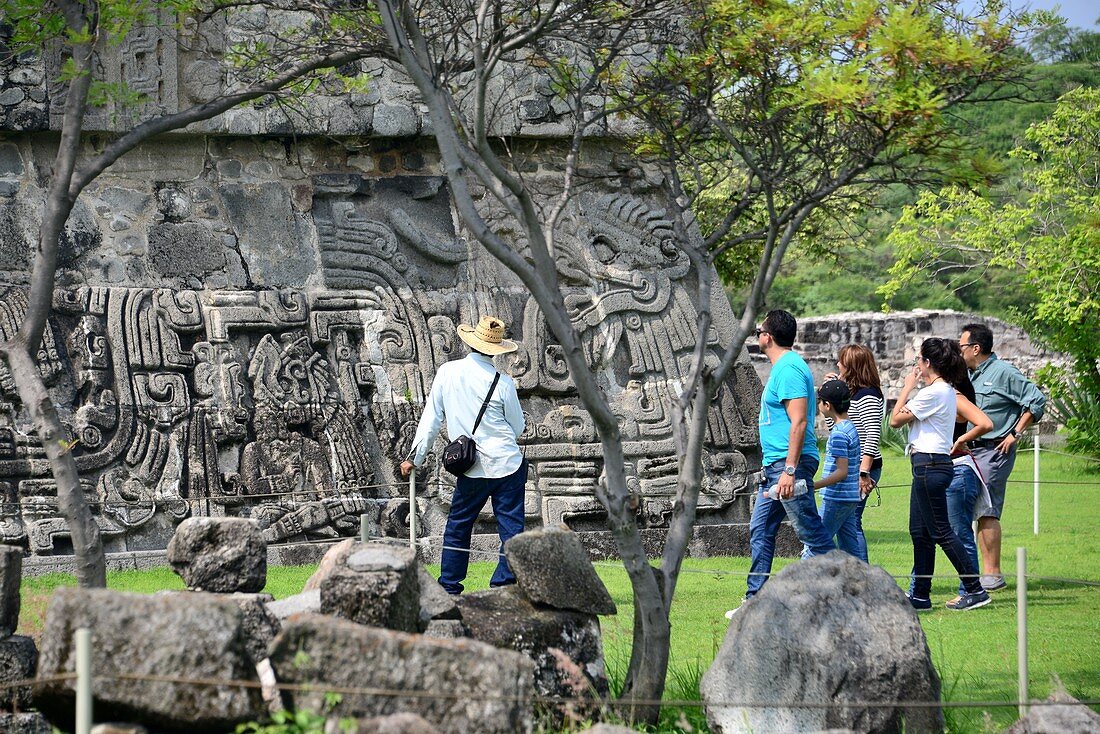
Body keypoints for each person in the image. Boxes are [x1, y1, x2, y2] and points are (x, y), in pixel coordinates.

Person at [400, 316, 526, 595]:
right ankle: (504, 584)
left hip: (471, 466)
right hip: (507, 463)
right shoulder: (503, 383)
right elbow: (517, 427)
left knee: (459, 525)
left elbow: (431, 419)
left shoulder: (447, 372)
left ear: (471, 343)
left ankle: (450, 586)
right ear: (496, 350)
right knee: (512, 529)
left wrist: (414, 458)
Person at [727, 310, 834, 618]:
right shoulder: (783, 368)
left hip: (789, 467)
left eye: (760, 330)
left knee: (810, 530)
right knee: (761, 528)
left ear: (767, 337)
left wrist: (789, 470)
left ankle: (843, 590)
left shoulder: (788, 368)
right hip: (775, 467)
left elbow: (799, 422)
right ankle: (755, 601)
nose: (758, 336)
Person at [891, 338, 990, 612]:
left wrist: (908, 387)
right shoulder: (947, 390)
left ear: (927, 363)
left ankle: (974, 588)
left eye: (919, 361)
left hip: (929, 465)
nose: (917, 366)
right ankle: (920, 595)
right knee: (919, 532)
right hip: (930, 465)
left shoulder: (933, 392)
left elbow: (895, 419)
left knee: (941, 532)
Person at [959, 323, 1047, 592]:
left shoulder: (1004, 372)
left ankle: (992, 574)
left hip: (996, 449)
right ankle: (983, 573)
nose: (959, 350)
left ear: (976, 348)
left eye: (962, 346)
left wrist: (1015, 433)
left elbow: (1036, 400)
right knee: (977, 509)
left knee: (987, 510)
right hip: (974, 451)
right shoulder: (971, 375)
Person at [824, 344, 885, 562]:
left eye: (841, 361)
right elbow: (835, 429)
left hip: (861, 469)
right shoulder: (851, 395)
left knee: (851, 522)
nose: (838, 364)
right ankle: (857, 575)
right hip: (849, 468)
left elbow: (872, 434)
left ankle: (862, 574)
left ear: (851, 366)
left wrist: (863, 473)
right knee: (848, 523)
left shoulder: (867, 395)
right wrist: (831, 395)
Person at [812, 380, 862, 557]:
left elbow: (842, 471)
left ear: (827, 405)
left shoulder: (839, 433)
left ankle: (799, 582)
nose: (818, 404)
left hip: (836, 497)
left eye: (820, 401)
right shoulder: (850, 428)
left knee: (816, 543)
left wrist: (815, 485)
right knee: (850, 549)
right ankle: (862, 582)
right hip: (849, 497)